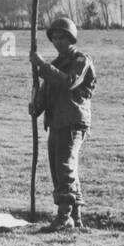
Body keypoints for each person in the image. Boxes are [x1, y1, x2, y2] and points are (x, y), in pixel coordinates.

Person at [29, 16, 97, 231]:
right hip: (56, 122)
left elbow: (69, 82)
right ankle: (75, 217)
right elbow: (47, 94)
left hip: (72, 121)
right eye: (55, 38)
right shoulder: (55, 65)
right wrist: (36, 106)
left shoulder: (81, 60)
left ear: (71, 38)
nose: (58, 41)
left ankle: (64, 216)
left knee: (65, 167)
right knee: (60, 170)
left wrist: (42, 66)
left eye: (62, 37)